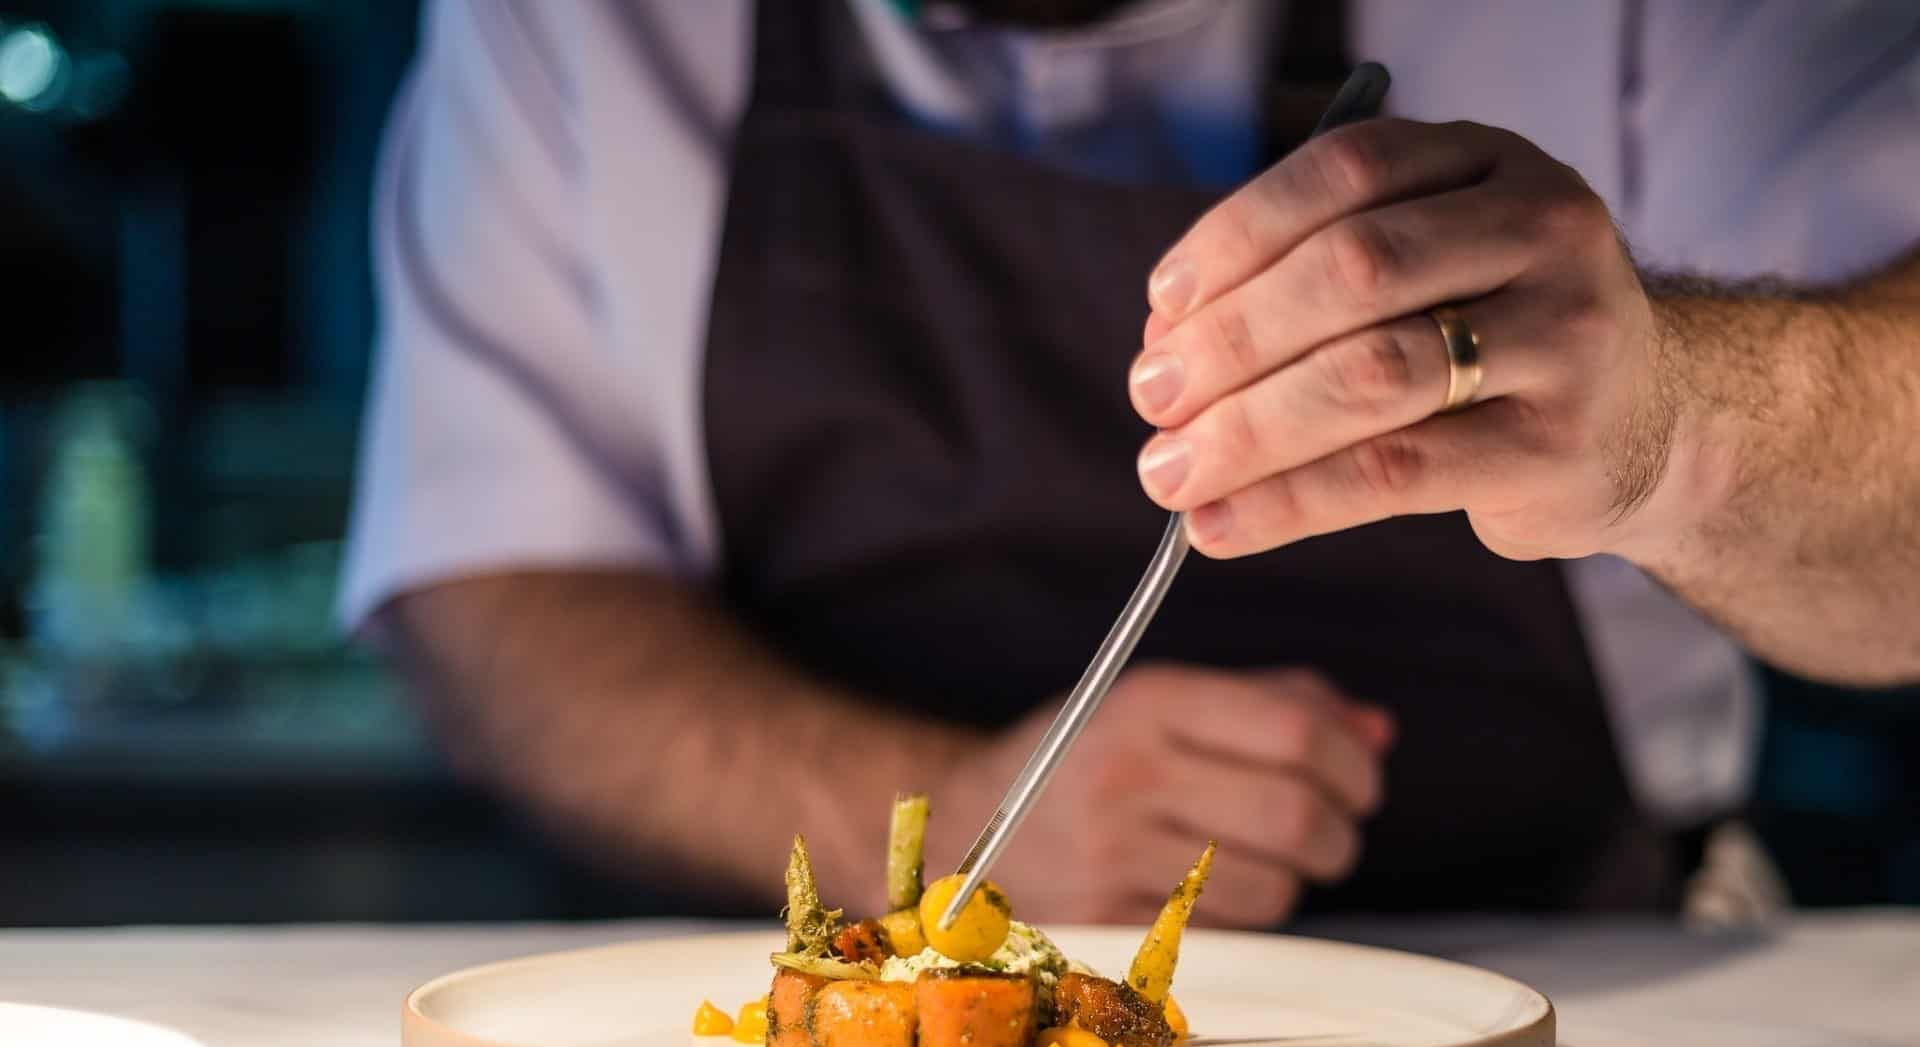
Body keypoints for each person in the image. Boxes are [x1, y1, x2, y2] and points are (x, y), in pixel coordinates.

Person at [340, 0, 1920, 925]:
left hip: (1581, 1005)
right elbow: (492, 604)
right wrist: (956, 824)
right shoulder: (572, 29)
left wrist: (1671, 421)